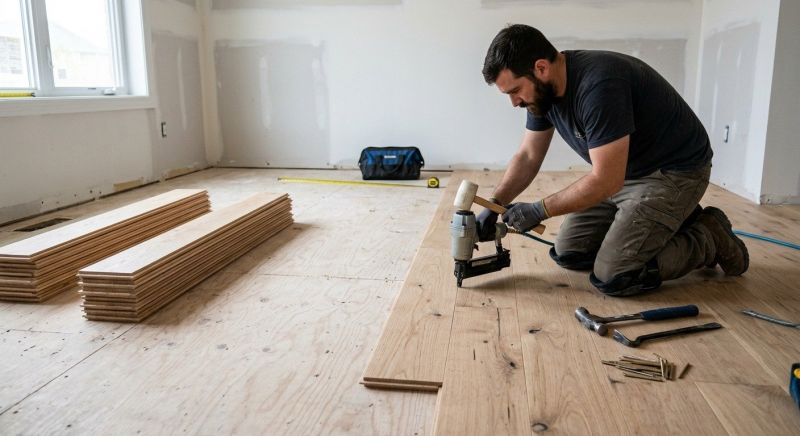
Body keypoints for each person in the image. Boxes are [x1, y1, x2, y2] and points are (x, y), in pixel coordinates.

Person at [477, 24, 749, 296]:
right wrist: (495, 203)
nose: (514, 102)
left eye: (514, 90)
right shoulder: (542, 93)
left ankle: (709, 236)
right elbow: (528, 155)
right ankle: (666, 219)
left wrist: (539, 210)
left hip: (674, 173)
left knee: (615, 275)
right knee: (570, 253)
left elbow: (606, 179)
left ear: (540, 68)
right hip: (624, 172)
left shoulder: (599, 85)